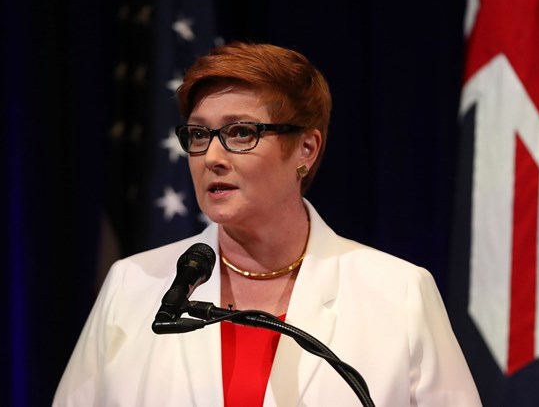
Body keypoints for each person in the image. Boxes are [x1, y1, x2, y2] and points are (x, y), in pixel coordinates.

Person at [53, 41, 481, 406]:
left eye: (241, 133)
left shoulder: (397, 293)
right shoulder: (131, 286)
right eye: (199, 135)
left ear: (306, 149)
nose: (212, 157)